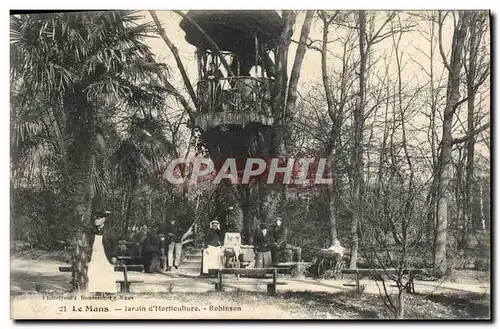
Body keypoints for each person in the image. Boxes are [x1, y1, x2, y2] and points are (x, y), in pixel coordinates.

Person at [87, 210, 118, 295]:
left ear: (103, 219)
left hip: (105, 255)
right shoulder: (93, 231)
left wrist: (114, 256)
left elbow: (115, 244)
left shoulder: (110, 230)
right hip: (95, 255)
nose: (96, 220)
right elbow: (90, 243)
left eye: (98, 218)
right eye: (95, 218)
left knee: (107, 273)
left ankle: (109, 292)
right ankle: (97, 292)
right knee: (94, 272)